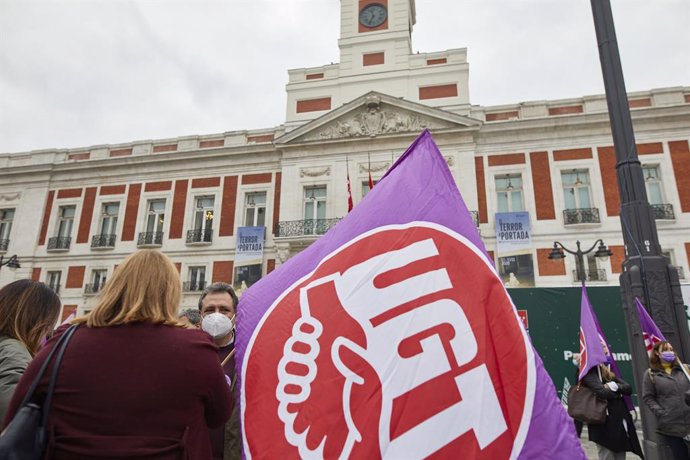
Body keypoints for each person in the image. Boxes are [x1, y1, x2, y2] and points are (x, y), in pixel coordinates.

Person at [3, 250, 231, 459]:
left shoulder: (63, 342)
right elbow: (219, 415)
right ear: (170, 293)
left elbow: (18, 410)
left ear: (114, 286)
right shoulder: (196, 348)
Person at [0, 279, 61, 422]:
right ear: (37, 321)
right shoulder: (13, 350)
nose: (48, 331)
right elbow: (15, 413)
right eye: (49, 324)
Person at [198, 282, 241, 460]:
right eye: (209, 310)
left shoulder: (248, 353)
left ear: (235, 315)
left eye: (224, 310)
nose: (217, 315)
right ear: (200, 315)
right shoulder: (187, 353)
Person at [581, 362, 643, 460]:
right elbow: (602, 392)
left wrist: (615, 386)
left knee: (620, 455)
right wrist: (618, 394)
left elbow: (628, 388)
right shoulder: (588, 374)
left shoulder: (607, 372)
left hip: (618, 423)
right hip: (602, 424)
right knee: (607, 455)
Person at [642, 341, 690, 460]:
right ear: (657, 353)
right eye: (665, 350)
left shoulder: (685, 369)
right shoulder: (650, 374)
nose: (670, 352)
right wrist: (662, 413)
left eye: (671, 349)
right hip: (671, 425)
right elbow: (648, 397)